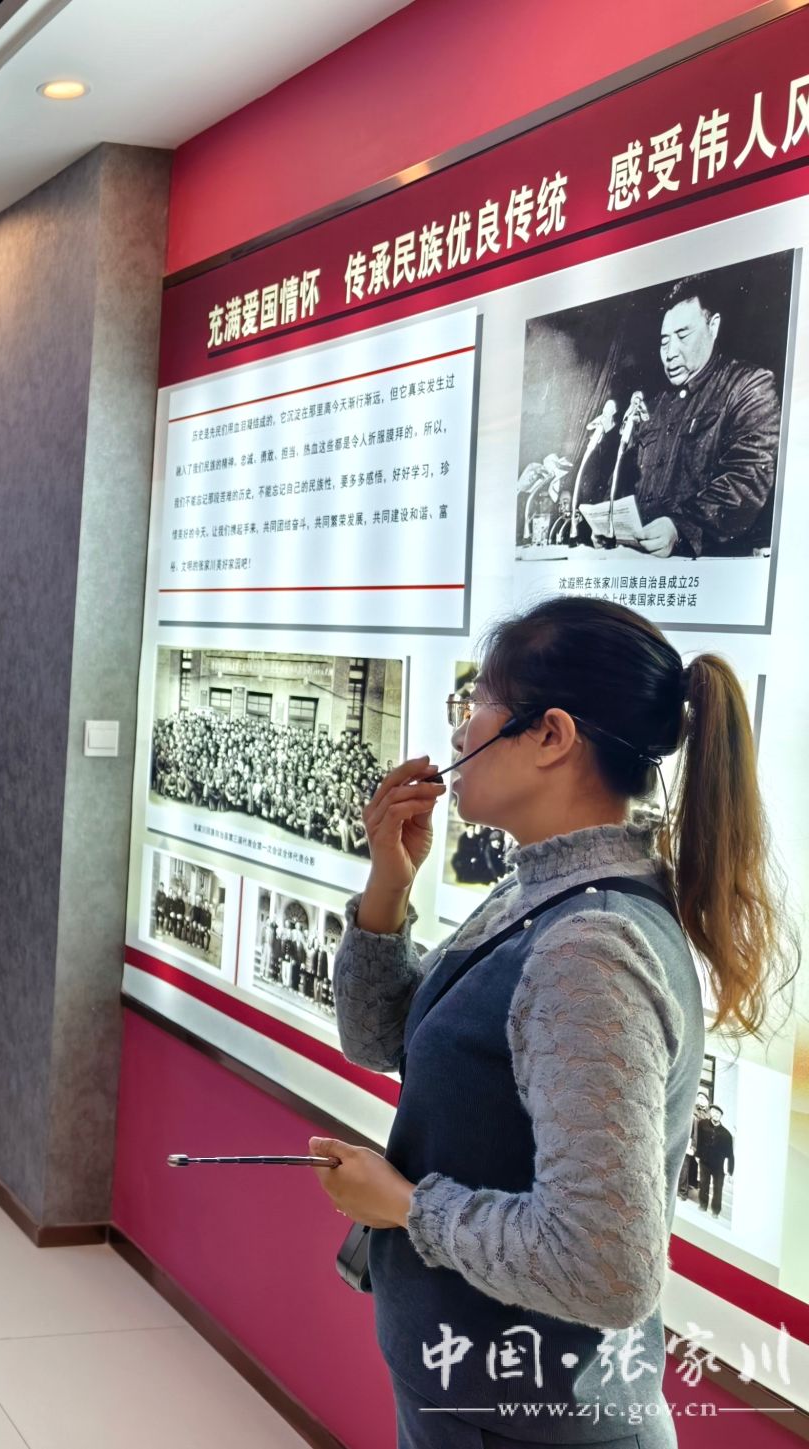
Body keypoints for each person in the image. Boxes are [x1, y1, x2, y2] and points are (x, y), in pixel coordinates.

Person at [312, 595, 792, 1446]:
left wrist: (406, 1204)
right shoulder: (541, 893)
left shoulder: (590, 945)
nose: (460, 731)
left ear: (550, 735)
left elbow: (607, 1267)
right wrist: (388, 883)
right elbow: (377, 1036)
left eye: (477, 705)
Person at [615, 277, 781, 558]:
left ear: (712, 326)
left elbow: (747, 478)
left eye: (683, 336)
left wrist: (679, 527)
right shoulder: (654, 404)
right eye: (664, 341)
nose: (670, 353)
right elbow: (627, 484)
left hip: (711, 566)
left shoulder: (749, 385)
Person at [696, 1105, 734, 1216]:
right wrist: (697, 1154)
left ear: (721, 1116)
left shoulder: (727, 1135)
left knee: (718, 1188)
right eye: (714, 1111)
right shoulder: (702, 1124)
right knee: (704, 1184)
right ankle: (703, 1205)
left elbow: (730, 1154)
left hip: (718, 1166)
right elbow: (698, 1141)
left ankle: (716, 1211)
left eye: (718, 1113)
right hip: (704, 1162)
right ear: (710, 1112)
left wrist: (730, 1170)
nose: (716, 1114)